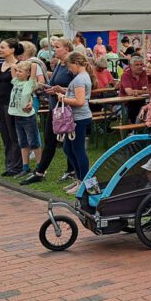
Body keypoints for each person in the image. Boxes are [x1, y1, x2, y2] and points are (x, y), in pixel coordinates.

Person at [20, 37, 74, 186]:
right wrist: (50, 88)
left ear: (67, 49)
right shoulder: (58, 64)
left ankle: (71, 171)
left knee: (69, 142)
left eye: (57, 47)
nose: (54, 50)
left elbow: (79, 89)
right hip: (55, 107)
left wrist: (59, 90)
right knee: (50, 140)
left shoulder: (72, 66)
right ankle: (40, 171)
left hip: (67, 109)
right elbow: (55, 84)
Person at [56, 52, 94, 196]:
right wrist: (63, 91)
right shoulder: (81, 78)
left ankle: (84, 181)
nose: (68, 69)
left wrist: (62, 98)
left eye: (69, 66)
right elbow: (78, 94)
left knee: (78, 150)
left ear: (76, 64)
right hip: (76, 118)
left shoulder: (79, 79)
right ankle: (79, 179)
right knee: (68, 148)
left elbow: (79, 101)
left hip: (79, 118)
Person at [0, 39, 24, 177]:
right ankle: (9, 164)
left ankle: (17, 166)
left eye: (2, 47)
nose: (0, 50)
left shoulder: (20, 66)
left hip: (12, 106)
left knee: (14, 136)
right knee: (5, 137)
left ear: (12, 49)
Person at [8, 61, 41, 179]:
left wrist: (27, 66)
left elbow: (34, 66)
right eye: (17, 72)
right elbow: (12, 66)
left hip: (28, 117)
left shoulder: (30, 83)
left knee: (34, 142)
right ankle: (25, 167)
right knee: (23, 142)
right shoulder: (16, 82)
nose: (17, 73)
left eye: (20, 72)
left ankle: (40, 167)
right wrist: (18, 67)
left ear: (28, 73)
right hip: (18, 116)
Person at [118, 55, 150, 124]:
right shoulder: (126, 75)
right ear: (131, 66)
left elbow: (150, 89)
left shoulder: (145, 73)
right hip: (126, 103)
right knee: (127, 113)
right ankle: (130, 131)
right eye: (137, 65)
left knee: (149, 109)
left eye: (141, 64)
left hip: (140, 101)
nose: (140, 67)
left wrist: (136, 91)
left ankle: (137, 129)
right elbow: (129, 92)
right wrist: (143, 91)